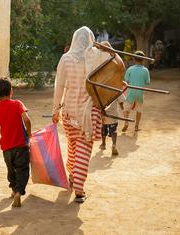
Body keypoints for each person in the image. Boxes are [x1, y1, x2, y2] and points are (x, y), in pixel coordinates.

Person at [52, 26, 110, 203]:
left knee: (73, 146)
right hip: (88, 112)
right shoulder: (97, 57)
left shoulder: (66, 58)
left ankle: (73, 177)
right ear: (91, 39)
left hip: (69, 112)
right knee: (84, 150)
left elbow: (59, 85)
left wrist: (56, 110)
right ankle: (79, 188)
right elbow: (112, 65)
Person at [0, 77, 31, 208]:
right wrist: (29, 133)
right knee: (23, 169)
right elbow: (27, 119)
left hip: (6, 146)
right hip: (21, 144)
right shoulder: (17, 104)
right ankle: (19, 192)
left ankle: (14, 190)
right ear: (11, 91)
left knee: (11, 170)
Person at [122, 50, 151, 132]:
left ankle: (126, 122)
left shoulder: (130, 69)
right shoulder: (145, 70)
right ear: (143, 60)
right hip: (140, 93)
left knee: (126, 108)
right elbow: (147, 82)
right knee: (139, 109)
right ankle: (136, 126)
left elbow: (126, 80)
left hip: (130, 92)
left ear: (134, 59)